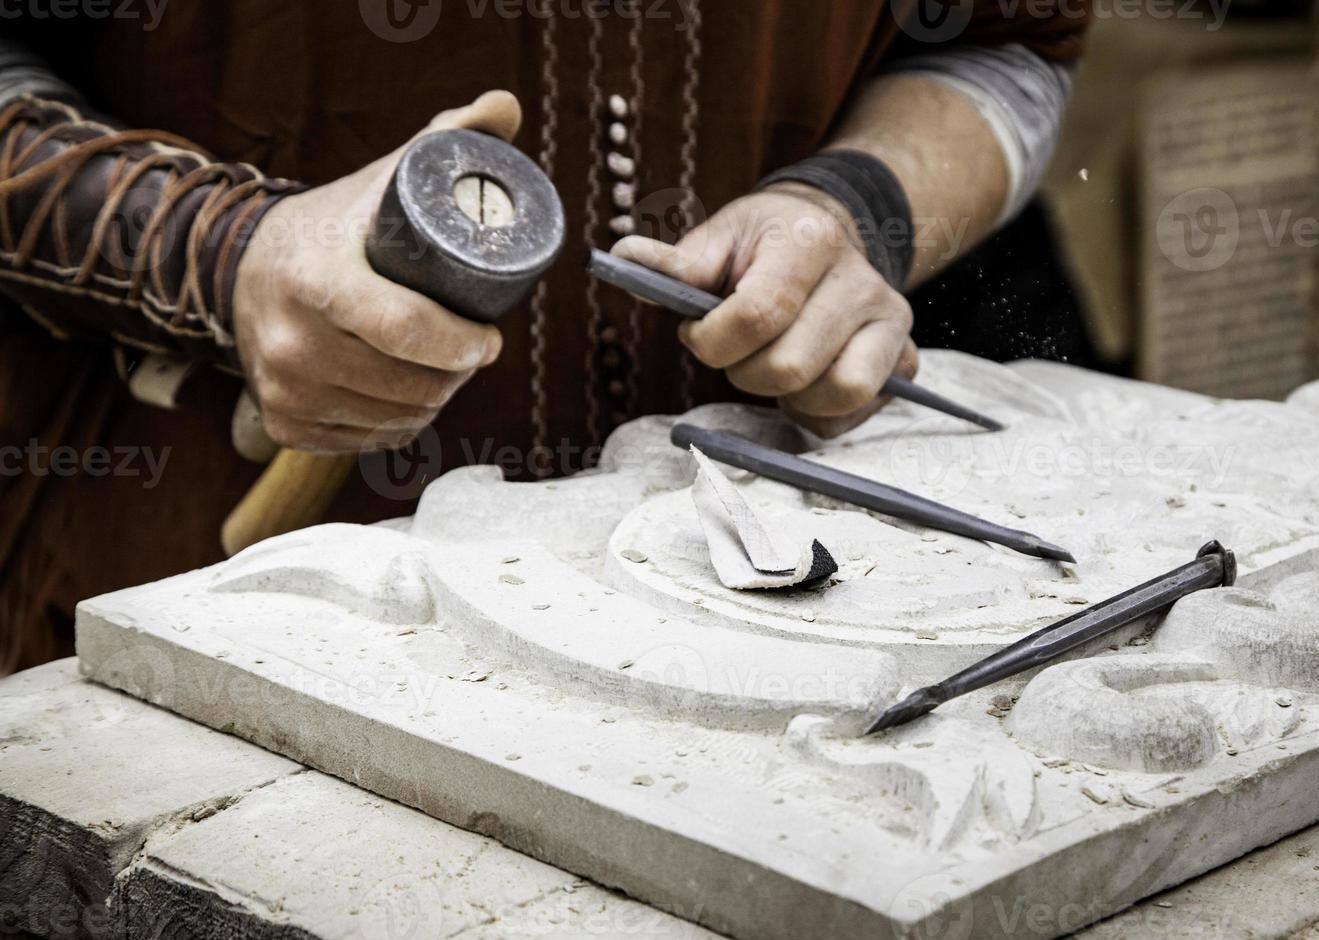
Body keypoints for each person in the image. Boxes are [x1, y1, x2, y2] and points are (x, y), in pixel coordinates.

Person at [0, 2, 1087, 674]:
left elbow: (1008, 39)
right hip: (195, 594)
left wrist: (853, 210)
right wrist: (212, 250)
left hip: (747, 600)